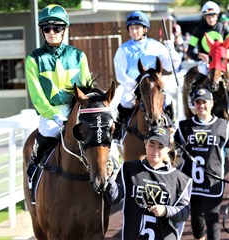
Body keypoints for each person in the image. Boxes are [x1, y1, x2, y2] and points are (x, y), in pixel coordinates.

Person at [25, 4, 92, 181]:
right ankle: (35, 177)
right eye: (47, 28)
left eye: (57, 28)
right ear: (42, 31)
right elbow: (37, 96)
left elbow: (86, 89)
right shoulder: (33, 59)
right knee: (47, 136)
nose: (51, 31)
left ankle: (110, 176)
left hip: (75, 110)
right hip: (50, 115)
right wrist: (54, 115)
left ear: (64, 30)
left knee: (100, 138)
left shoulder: (79, 56)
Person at [105, 126, 192, 239]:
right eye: (151, 144)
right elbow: (113, 198)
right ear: (145, 143)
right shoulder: (129, 168)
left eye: (160, 146)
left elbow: (184, 213)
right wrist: (109, 177)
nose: (155, 151)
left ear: (169, 148)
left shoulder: (180, 179)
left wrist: (166, 210)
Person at [113, 11, 181, 139]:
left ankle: (173, 130)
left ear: (145, 29)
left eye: (137, 28)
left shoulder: (156, 45)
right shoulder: (123, 49)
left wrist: (172, 51)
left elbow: (171, 65)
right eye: (131, 28)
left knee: (168, 100)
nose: (134, 31)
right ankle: (118, 133)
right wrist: (135, 86)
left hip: (154, 85)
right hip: (133, 87)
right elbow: (120, 74)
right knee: (125, 101)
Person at [175, 88, 229, 240]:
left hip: (213, 182)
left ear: (211, 104)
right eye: (197, 103)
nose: (201, 106)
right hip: (192, 182)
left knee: (212, 219)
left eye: (204, 102)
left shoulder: (223, 126)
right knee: (196, 221)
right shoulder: (184, 126)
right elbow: (172, 149)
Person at [186, 1, 229, 96]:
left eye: (213, 16)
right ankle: (193, 94)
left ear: (217, 16)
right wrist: (199, 55)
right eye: (208, 17)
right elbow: (189, 51)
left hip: (222, 61)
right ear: (205, 17)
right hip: (206, 62)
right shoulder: (198, 30)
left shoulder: (224, 28)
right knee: (202, 70)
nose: (211, 19)